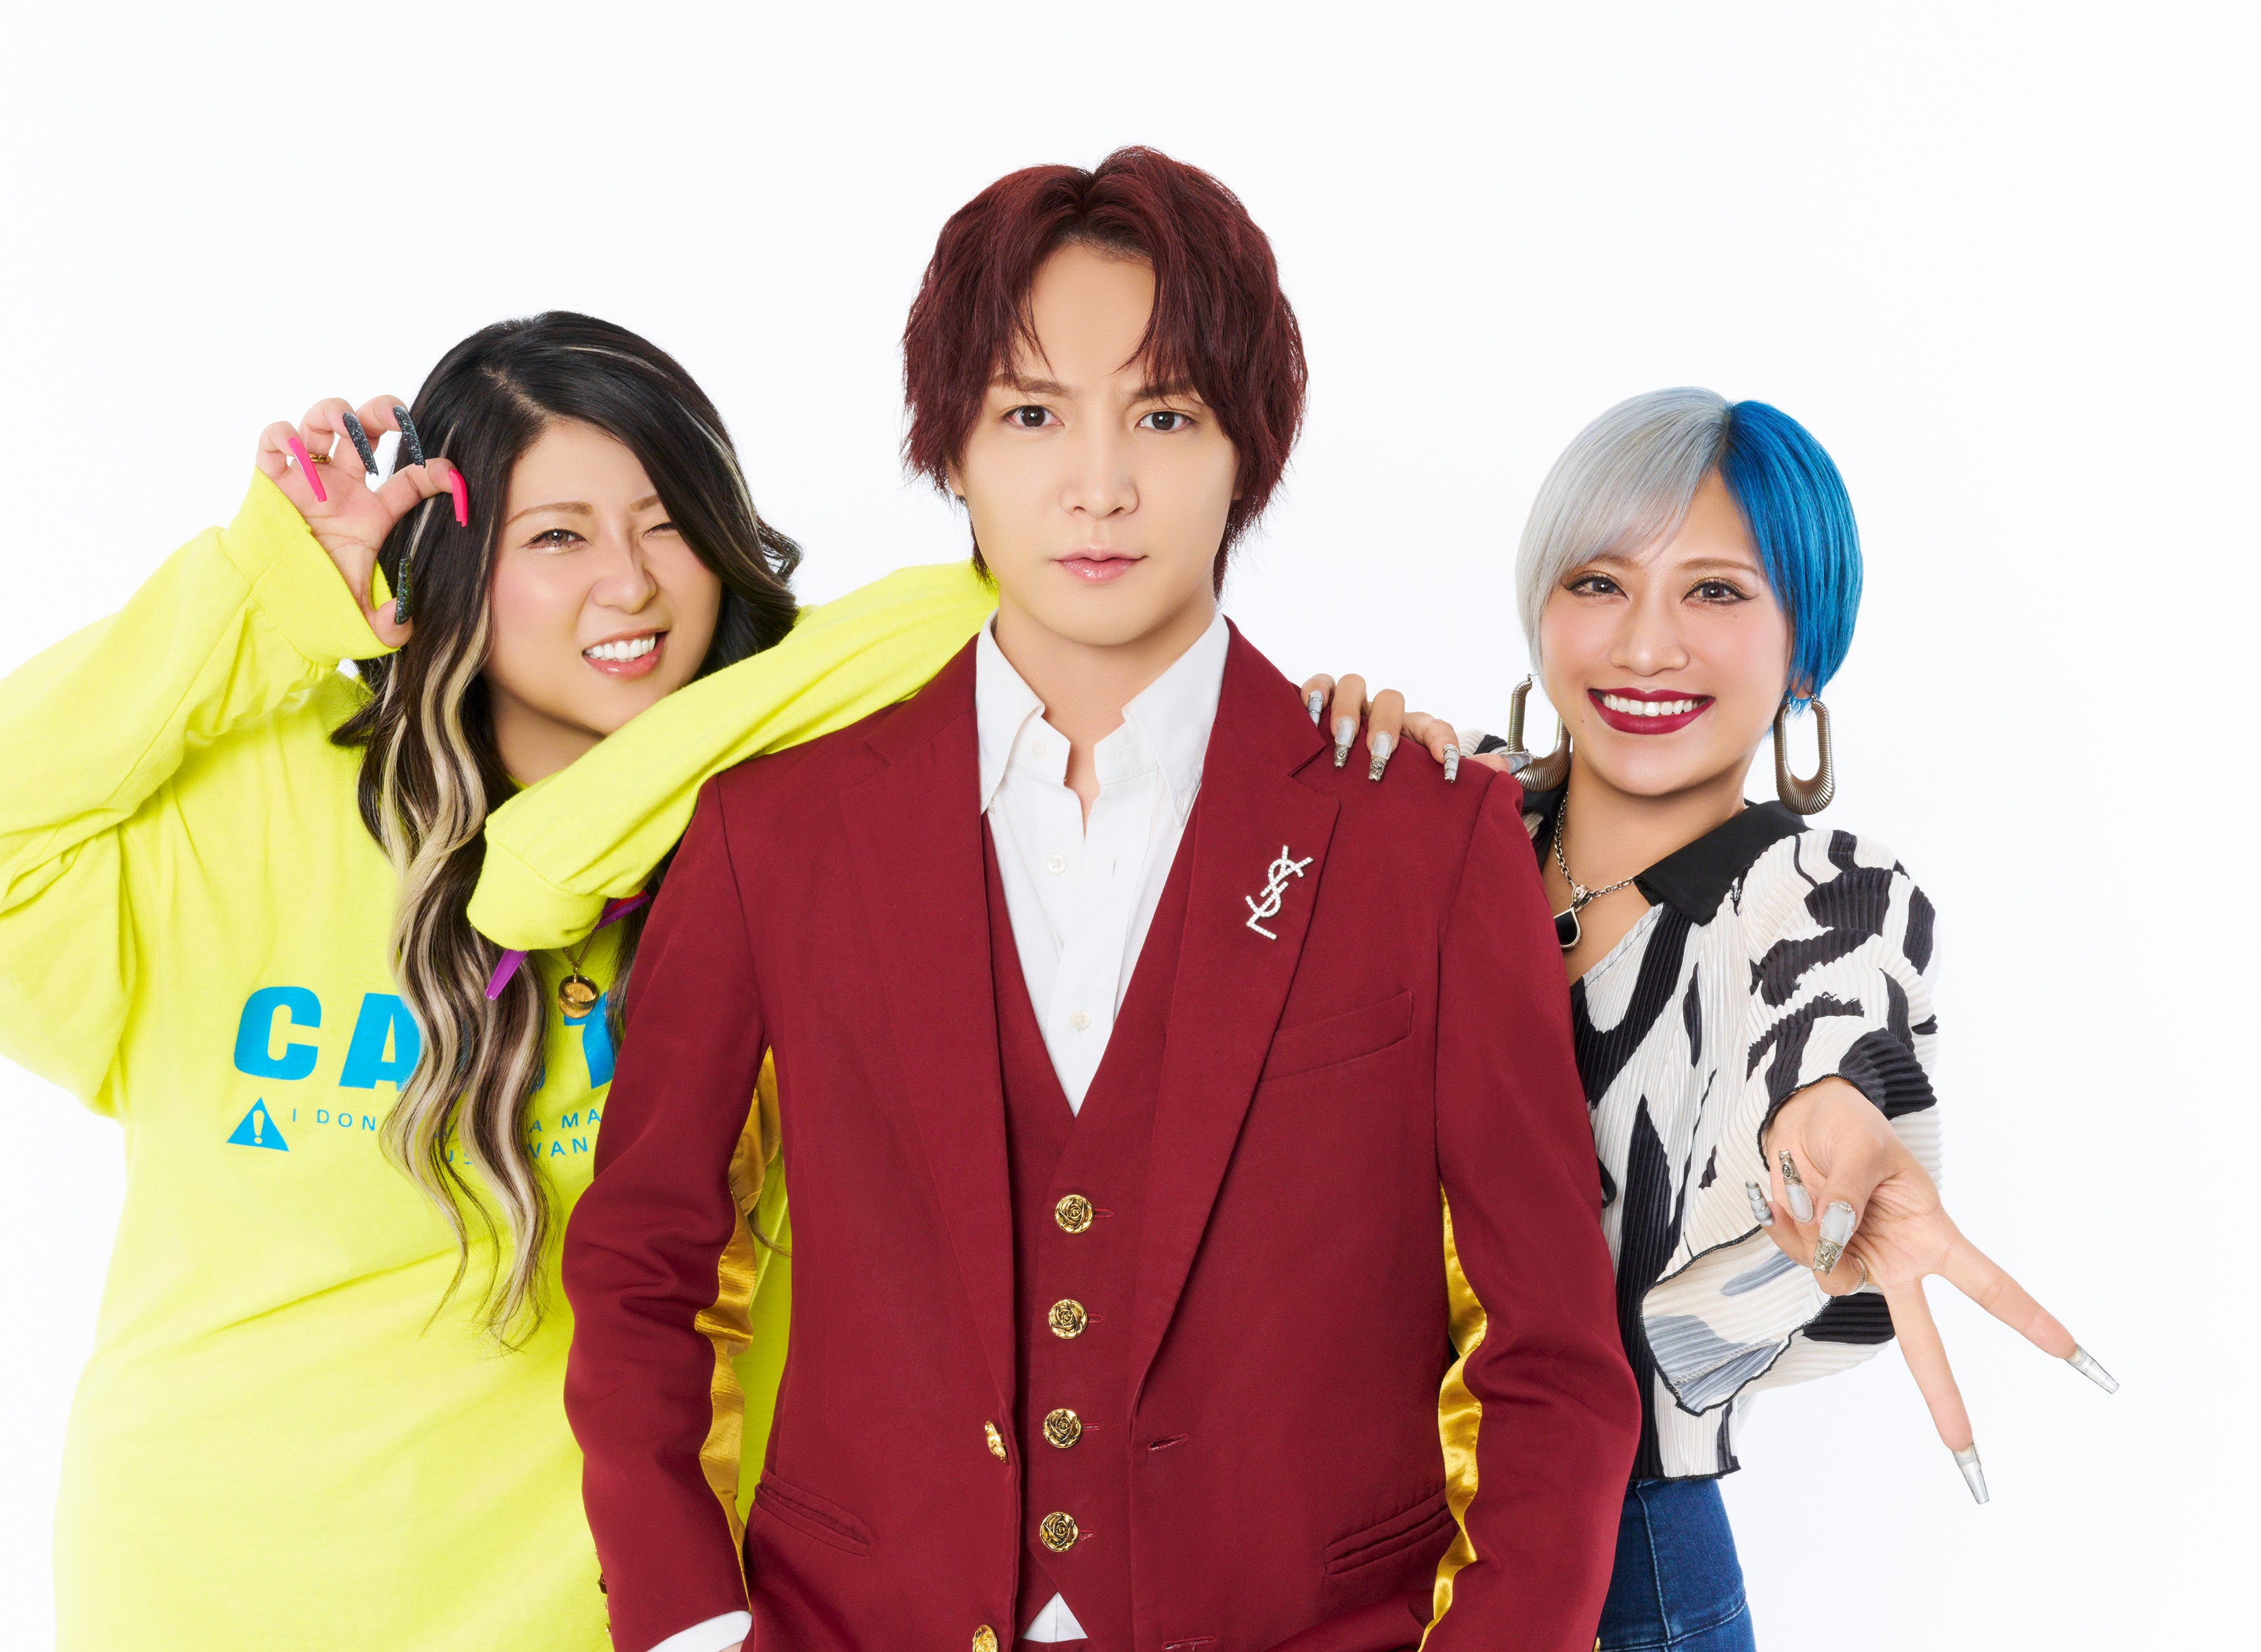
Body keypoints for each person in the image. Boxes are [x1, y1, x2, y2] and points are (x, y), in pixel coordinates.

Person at [547, 147, 1636, 1652]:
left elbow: (1551, 1358)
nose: (1100, 484)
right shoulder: (774, 837)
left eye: (1166, 414)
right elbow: (644, 1264)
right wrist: (688, 1628)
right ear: (951, 451)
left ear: (1249, 451)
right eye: (1033, 414)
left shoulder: (1428, 843)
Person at [0, 313, 1008, 1651]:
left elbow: (1001, 611)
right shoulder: (262, 795)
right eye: (556, 538)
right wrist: (260, 595)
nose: (629, 584)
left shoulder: (786, 829)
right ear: (450, 558)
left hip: (594, 1609)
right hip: (204, 1588)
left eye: (668, 523)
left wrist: (591, 824)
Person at [1437, 388, 2116, 1651]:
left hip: (1618, 1567)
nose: (1646, 646)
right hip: (1343, 1538)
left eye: (1714, 592)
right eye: (1599, 582)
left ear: (1807, 648)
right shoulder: (1435, 824)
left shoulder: (1817, 896)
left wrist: (1831, 1139)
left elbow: (1832, 1020)